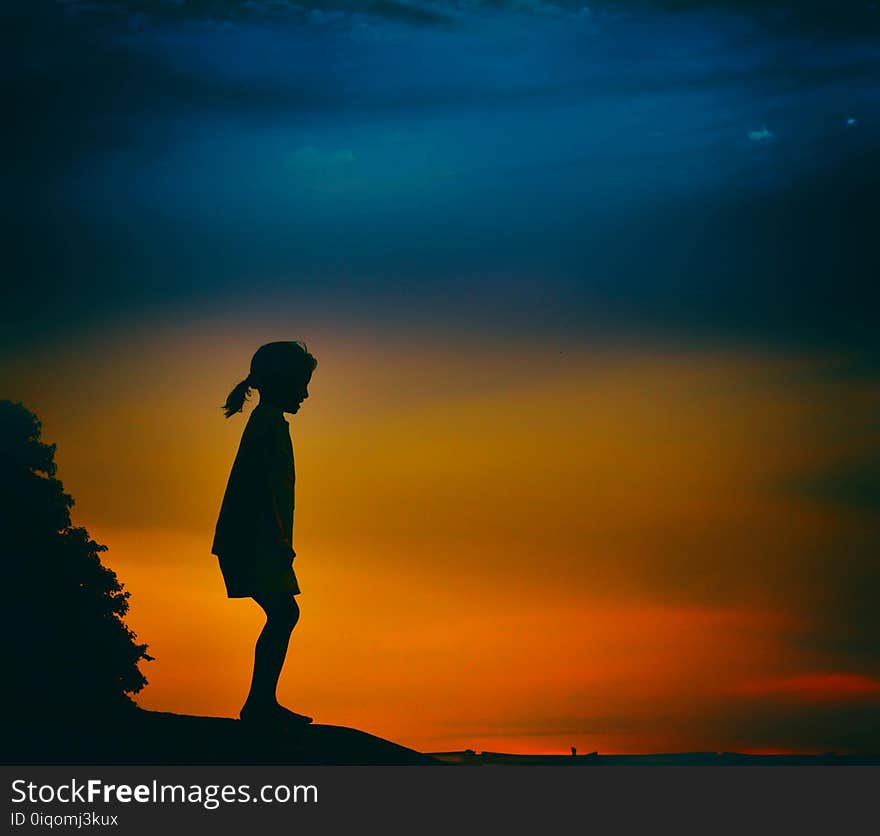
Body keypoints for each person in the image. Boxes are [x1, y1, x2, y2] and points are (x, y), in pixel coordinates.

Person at [212, 340, 318, 728]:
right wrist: (278, 541)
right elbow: (262, 490)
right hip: (253, 542)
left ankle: (261, 702)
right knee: (285, 612)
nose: (306, 394)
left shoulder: (269, 423)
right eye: (301, 384)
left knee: (284, 613)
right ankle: (259, 705)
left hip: (254, 541)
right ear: (281, 383)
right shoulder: (268, 426)